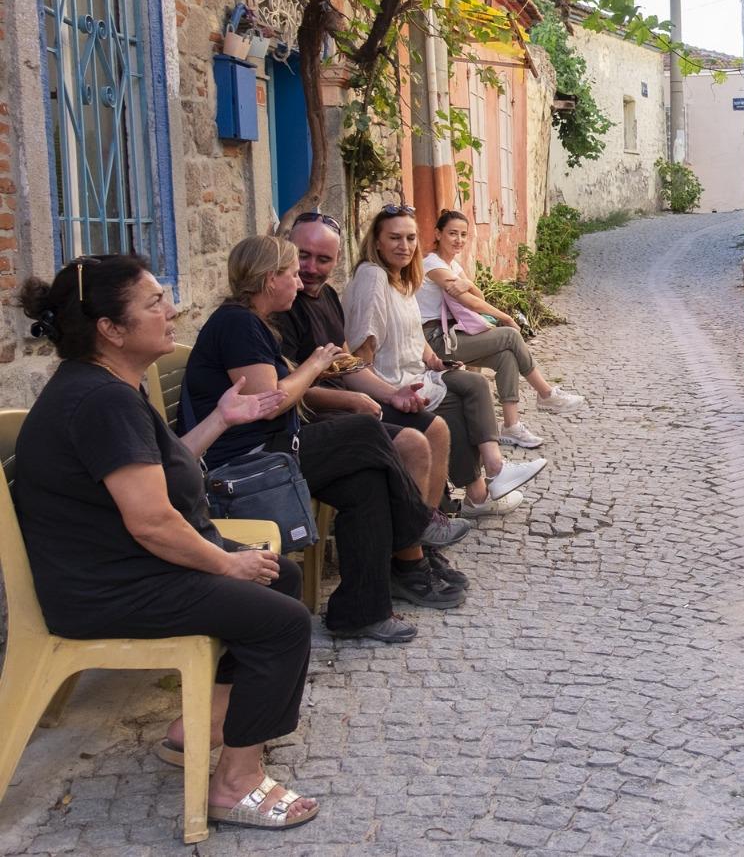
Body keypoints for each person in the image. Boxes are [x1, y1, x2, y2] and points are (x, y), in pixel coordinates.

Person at [16, 255, 320, 829]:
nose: (172, 310)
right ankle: (235, 785)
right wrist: (224, 565)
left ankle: (206, 726)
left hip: (125, 567)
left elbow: (162, 467)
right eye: (155, 302)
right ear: (111, 328)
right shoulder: (102, 401)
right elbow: (152, 522)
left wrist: (222, 419)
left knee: (280, 575)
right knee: (281, 622)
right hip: (110, 587)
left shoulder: (106, 386)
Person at [183, 236, 461, 641]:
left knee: (366, 482)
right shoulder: (237, 324)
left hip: (275, 449)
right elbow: (269, 403)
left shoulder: (253, 322)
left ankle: (360, 613)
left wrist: (325, 371)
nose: (299, 283)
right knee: (366, 431)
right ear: (269, 279)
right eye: (292, 274)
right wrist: (313, 366)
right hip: (249, 462)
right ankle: (416, 525)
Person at [275, 213, 469, 594]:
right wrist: (355, 400)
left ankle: (422, 543)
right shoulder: (282, 306)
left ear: (336, 261)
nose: (311, 268)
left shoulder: (327, 297)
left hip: (345, 406)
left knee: (436, 429)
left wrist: (391, 394)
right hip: (314, 418)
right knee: (411, 443)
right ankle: (407, 562)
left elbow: (349, 367)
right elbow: (285, 391)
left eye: (323, 259)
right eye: (303, 256)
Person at [343, 205, 545, 518]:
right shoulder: (373, 277)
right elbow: (362, 349)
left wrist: (435, 361)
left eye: (411, 238)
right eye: (395, 238)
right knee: (458, 404)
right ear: (377, 242)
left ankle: (492, 474)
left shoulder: (401, 277)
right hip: (390, 385)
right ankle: (480, 492)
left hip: (417, 374)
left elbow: (415, 332)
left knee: (474, 383)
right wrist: (379, 395)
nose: (405, 245)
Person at [419, 210, 585, 447]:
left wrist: (467, 283)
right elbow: (469, 301)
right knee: (510, 335)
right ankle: (546, 394)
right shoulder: (432, 264)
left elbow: (478, 295)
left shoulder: (452, 265)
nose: (459, 240)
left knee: (506, 356)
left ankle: (511, 426)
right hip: (433, 341)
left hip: (451, 336)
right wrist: (505, 317)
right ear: (438, 234)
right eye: (452, 233)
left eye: (463, 234)